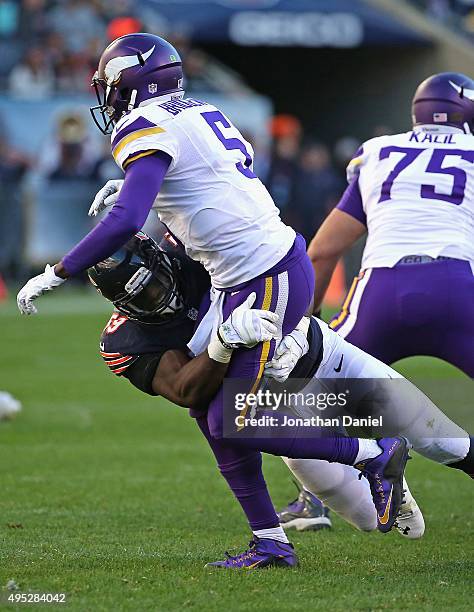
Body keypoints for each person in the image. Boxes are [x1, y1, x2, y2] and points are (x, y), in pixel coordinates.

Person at [89, 230, 472, 566]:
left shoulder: (197, 247)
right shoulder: (125, 338)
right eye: (142, 298)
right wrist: (222, 346)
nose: (162, 300)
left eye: (156, 283)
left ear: (160, 256)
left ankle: (376, 457)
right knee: (368, 518)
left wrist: (284, 327)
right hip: (280, 411)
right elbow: (186, 390)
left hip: (325, 364)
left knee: (446, 442)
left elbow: (278, 264)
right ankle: (365, 470)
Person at [278, 72, 474, 529]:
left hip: (380, 290)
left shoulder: (380, 153)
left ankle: (315, 500)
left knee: (301, 393)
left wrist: (309, 329)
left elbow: (323, 250)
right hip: (457, 289)